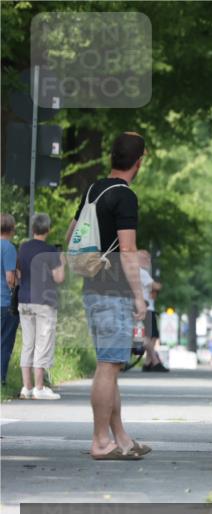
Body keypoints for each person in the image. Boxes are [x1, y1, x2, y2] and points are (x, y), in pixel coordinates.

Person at [65, 131, 150, 460]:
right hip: (114, 292)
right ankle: (100, 441)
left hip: (93, 287)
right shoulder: (125, 196)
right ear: (139, 161)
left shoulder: (94, 189)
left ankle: (121, 438)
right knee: (108, 366)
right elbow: (127, 250)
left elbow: (71, 235)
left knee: (110, 365)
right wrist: (139, 296)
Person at [16, 214, 65, 399]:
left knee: (28, 344)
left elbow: (18, 274)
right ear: (48, 230)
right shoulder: (51, 251)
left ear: (32, 229)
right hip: (44, 302)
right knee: (43, 344)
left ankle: (26, 387)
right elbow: (59, 278)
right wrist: (62, 262)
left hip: (24, 300)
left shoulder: (23, 248)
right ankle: (39, 387)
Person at [138, 250, 167, 372]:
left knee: (153, 336)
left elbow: (152, 291)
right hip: (146, 308)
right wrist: (158, 285)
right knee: (147, 337)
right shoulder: (141, 272)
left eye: (148, 258)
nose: (148, 261)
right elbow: (156, 286)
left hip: (147, 307)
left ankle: (148, 362)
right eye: (145, 258)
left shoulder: (140, 272)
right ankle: (155, 362)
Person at [1, 213, 19, 387]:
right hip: (5, 302)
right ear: (12, 229)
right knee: (5, 343)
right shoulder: (8, 248)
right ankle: (1, 379)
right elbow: (9, 278)